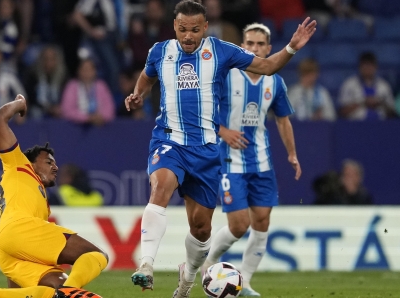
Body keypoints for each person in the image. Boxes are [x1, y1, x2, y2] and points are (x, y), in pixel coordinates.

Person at [124, 1, 315, 297]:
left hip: (206, 151)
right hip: (169, 140)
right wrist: (137, 94)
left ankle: (186, 282)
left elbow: (266, 66)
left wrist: (291, 47)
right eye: (183, 29)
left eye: (195, 30)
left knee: (201, 230)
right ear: (175, 26)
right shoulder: (159, 51)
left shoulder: (222, 51)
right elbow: (148, 75)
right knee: (159, 187)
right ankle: (146, 265)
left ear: (205, 27)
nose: (189, 36)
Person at [0, 95, 107, 298]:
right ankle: (68, 293)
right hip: (19, 229)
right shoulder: (18, 164)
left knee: (51, 290)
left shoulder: (41, 202)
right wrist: (19, 104)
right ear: (31, 163)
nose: (55, 167)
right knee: (97, 255)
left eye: (55, 163)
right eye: (49, 162)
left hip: (7, 246)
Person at [200, 23, 302, 297]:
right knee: (238, 225)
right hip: (230, 161)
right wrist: (223, 131)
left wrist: (292, 153)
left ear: (268, 49)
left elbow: (283, 120)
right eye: (249, 43)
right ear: (242, 46)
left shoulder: (275, 81)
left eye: (260, 44)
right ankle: (206, 264)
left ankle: (243, 282)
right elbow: (202, 108)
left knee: (262, 223)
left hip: (261, 162)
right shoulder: (227, 75)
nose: (254, 48)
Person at [338, 51, 396, 120]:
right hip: (355, 126)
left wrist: (380, 103)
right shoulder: (349, 84)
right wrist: (363, 102)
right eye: (365, 65)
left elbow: (392, 114)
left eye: (370, 65)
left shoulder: (384, 86)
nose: (368, 68)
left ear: (376, 67)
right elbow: (342, 112)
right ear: (360, 67)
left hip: (381, 126)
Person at [61, 58, 115, 126]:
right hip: (76, 128)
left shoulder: (101, 86)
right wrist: (87, 118)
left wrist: (101, 117)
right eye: (84, 69)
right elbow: (67, 110)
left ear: (95, 71)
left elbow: (110, 109)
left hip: (100, 127)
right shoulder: (72, 86)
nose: (86, 73)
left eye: (90, 69)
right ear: (78, 71)